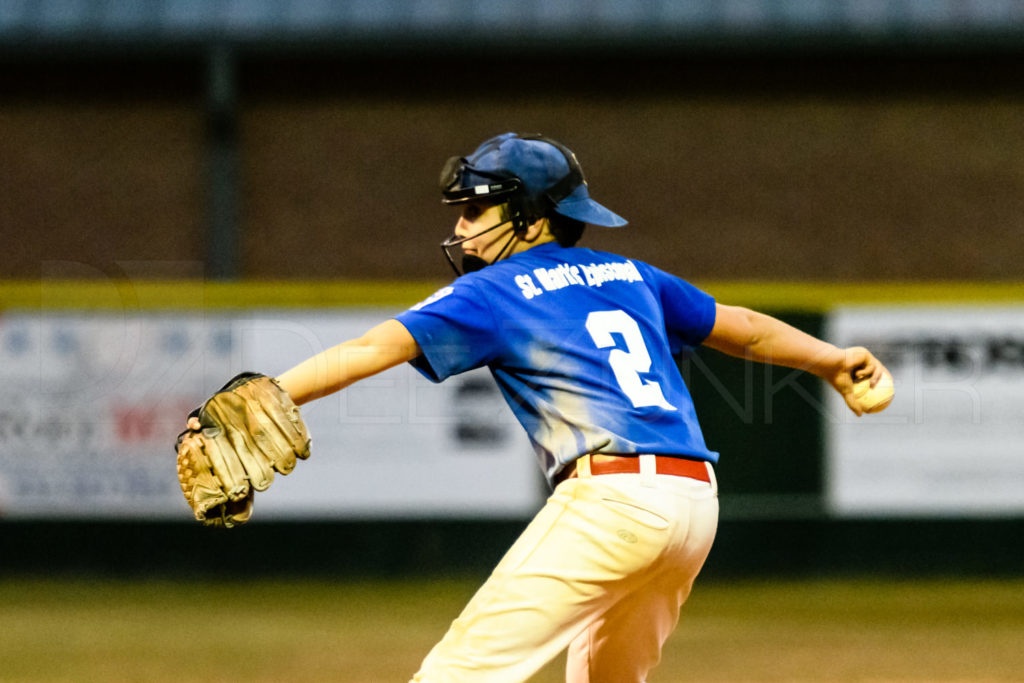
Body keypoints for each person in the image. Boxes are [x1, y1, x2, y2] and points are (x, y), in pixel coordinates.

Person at [271, 132, 889, 682]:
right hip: (695, 504)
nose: (461, 225)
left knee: (458, 674)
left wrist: (276, 392)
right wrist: (832, 361)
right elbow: (746, 327)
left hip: (611, 500)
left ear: (534, 218)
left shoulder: (490, 290)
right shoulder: (627, 272)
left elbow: (375, 345)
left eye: (477, 207)